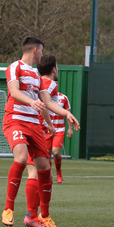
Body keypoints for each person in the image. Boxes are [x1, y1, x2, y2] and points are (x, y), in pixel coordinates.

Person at [1, 37, 79, 227]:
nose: (43, 55)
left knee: (45, 168)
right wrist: (31, 102)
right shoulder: (14, 67)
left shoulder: (37, 76)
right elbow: (14, 92)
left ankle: (43, 216)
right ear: (35, 50)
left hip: (35, 125)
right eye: (42, 51)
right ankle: (9, 208)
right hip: (15, 120)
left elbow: (46, 102)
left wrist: (63, 115)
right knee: (20, 157)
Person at [38, 55, 73, 184]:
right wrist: (49, 124)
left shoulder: (63, 98)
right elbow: (44, 104)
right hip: (43, 128)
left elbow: (49, 105)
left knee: (55, 152)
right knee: (40, 158)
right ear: (54, 70)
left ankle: (56, 173)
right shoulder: (49, 84)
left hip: (57, 129)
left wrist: (69, 125)